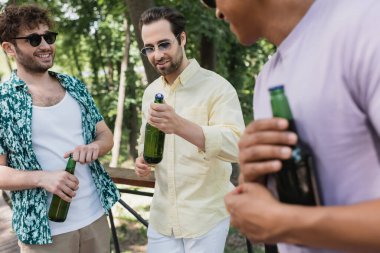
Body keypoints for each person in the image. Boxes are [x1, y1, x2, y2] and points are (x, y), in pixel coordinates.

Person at [200, 0, 380, 252]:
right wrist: (257, 185)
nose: (216, 12)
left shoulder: (367, 24)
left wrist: (285, 223)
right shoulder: (267, 79)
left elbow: (283, 223)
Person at [0, 3, 120, 253]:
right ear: (9, 48)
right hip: (43, 232)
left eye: (49, 37)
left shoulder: (74, 85)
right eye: (33, 39)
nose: (45, 45)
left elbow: (105, 135)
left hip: (96, 216)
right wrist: (42, 178)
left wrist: (95, 147)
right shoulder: (2, 101)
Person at [134, 6, 245, 253]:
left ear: (181, 39)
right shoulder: (150, 92)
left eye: (164, 44)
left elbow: (237, 146)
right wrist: (143, 160)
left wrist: (181, 126)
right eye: (149, 48)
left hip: (206, 218)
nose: (157, 54)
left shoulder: (217, 87)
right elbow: (146, 141)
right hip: (162, 219)